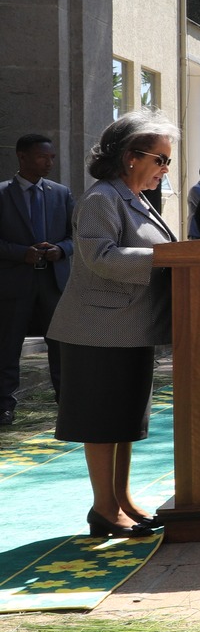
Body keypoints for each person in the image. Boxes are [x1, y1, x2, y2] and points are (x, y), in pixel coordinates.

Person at [44, 111, 179, 534]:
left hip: (131, 328)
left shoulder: (136, 198)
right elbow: (99, 257)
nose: (165, 169)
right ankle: (104, 508)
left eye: (167, 161)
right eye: (160, 159)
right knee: (103, 422)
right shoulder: (102, 198)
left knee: (124, 421)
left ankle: (121, 499)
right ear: (130, 157)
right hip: (97, 331)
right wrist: (168, 258)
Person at [0, 133, 73, 425]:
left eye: (52, 157)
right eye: (43, 156)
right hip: (14, 285)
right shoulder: (3, 194)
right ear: (22, 156)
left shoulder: (61, 193)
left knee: (61, 347)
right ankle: (4, 407)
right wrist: (21, 253)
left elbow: (75, 236)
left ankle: (67, 403)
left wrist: (61, 249)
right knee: (7, 348)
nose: (49, 162)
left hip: (53, 284)